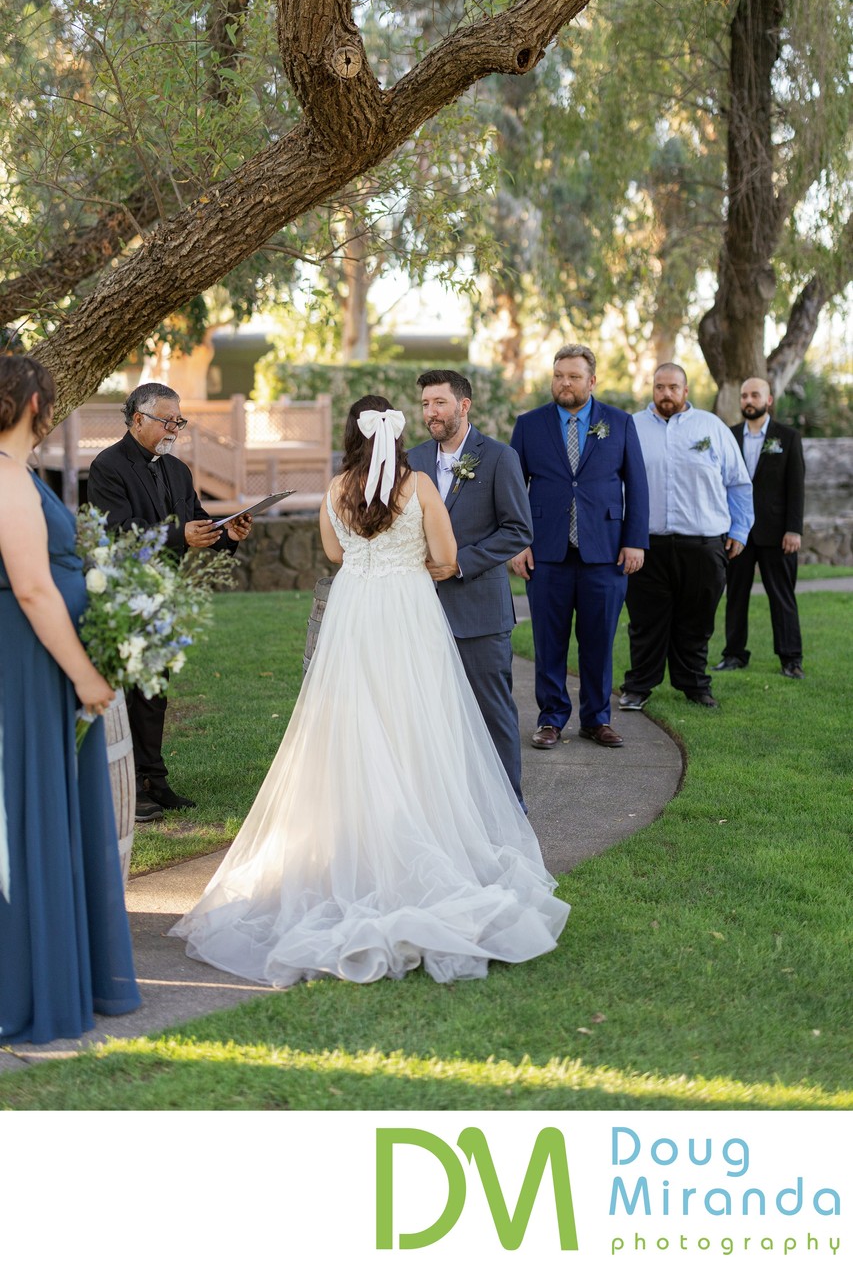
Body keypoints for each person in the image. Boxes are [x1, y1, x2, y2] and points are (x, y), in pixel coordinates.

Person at [170, 397, 568, 985]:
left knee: (351, 724)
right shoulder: (422, 486)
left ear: (350, 435)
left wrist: (372, 558)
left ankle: (352, 846)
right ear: (398, 435)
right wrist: (411, 562)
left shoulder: (335, 490)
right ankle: (418, 834)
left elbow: (334, 554)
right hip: (408, 612)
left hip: (355, 613)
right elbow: (447, 556)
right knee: (415, 721)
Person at [0, 355, 140, 1045]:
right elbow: (31, 588)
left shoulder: (18, 473)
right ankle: (30, 984)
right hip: (28, 665)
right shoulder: (3, 476)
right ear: (34, 405)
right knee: (31, 812)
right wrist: (86, 673)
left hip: (38, 661)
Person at [87, 383, 252, 822]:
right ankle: (126, 785)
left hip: (164, 592)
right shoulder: (107, 466)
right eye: (167, 419)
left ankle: (155, 781)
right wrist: (180, 535)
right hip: (121, 596)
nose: (174, 428)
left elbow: (195, 520)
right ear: (137, 419)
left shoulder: (178, 470)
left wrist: (226, 534)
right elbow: (117, 532)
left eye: (178, 420)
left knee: (155, 691)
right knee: (125, 692)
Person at [509, 345, 649, 750]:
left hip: (604, 554)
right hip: (546, 554)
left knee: (599, 640)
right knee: (548, 642)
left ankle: (596, 718)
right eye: (558, 375)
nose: (564, 383)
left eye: (572, 376)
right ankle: (551, 719)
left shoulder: (619, 423)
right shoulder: (529, 425)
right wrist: (518, 544)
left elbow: (636, 485)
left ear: (592, 381)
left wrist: (635, 541)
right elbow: (514, 492)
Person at [407, 370, 532, 807]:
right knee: (432, 716)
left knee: (491, 714)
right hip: (420, 611)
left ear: (464, 405)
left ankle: (508, 807)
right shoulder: (413, 459)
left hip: (478, 612)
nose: (430, 413)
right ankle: (449, 810)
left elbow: (518, 530)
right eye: (425, 404)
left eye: (439, 403)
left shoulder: (499, 458)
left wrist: (460, 563)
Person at [620, 363, 754, 712]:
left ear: (686, 390)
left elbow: (738, 482)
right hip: (646, 544)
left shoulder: (712, 427)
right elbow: (615, 486)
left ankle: (695, 684)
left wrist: (740, 529)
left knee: (697, 619)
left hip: (704, 543)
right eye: (660, 387)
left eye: (673, 387)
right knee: (646, 621)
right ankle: (638, 686)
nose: (666, 393)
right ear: (653, 388)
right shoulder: (630, 427)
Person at [713, 376, 805, 679]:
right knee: (736, 594)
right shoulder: (730, 434)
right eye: (744, 396)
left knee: (782, 596)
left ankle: (791, 659)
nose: (748, 401)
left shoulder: (787, 437)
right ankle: (734, 654)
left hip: (776, 532)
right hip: (738, 531)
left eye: (754, 395)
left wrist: (794, 529)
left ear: (769, 401)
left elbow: (796, 487)